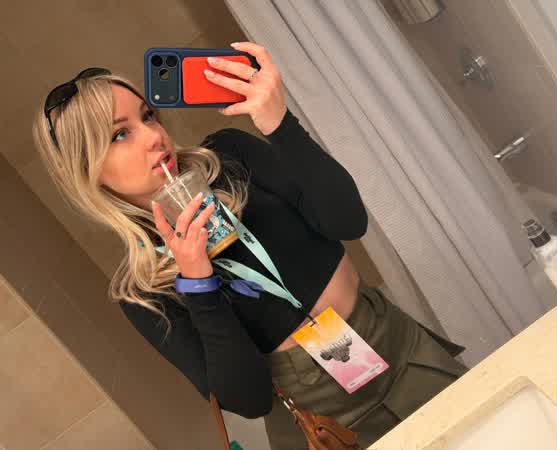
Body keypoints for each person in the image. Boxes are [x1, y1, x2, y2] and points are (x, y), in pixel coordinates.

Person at [32, 42, 468, 449]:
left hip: (401, 350)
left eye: (148, 116)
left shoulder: (231, 155)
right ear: (88, 170)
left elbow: (349, 220)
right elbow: (249, 399)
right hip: (328, 425)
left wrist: (281, 123)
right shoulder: (141, 291)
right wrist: (197, 282)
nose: (153, 136)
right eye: (119, 135)